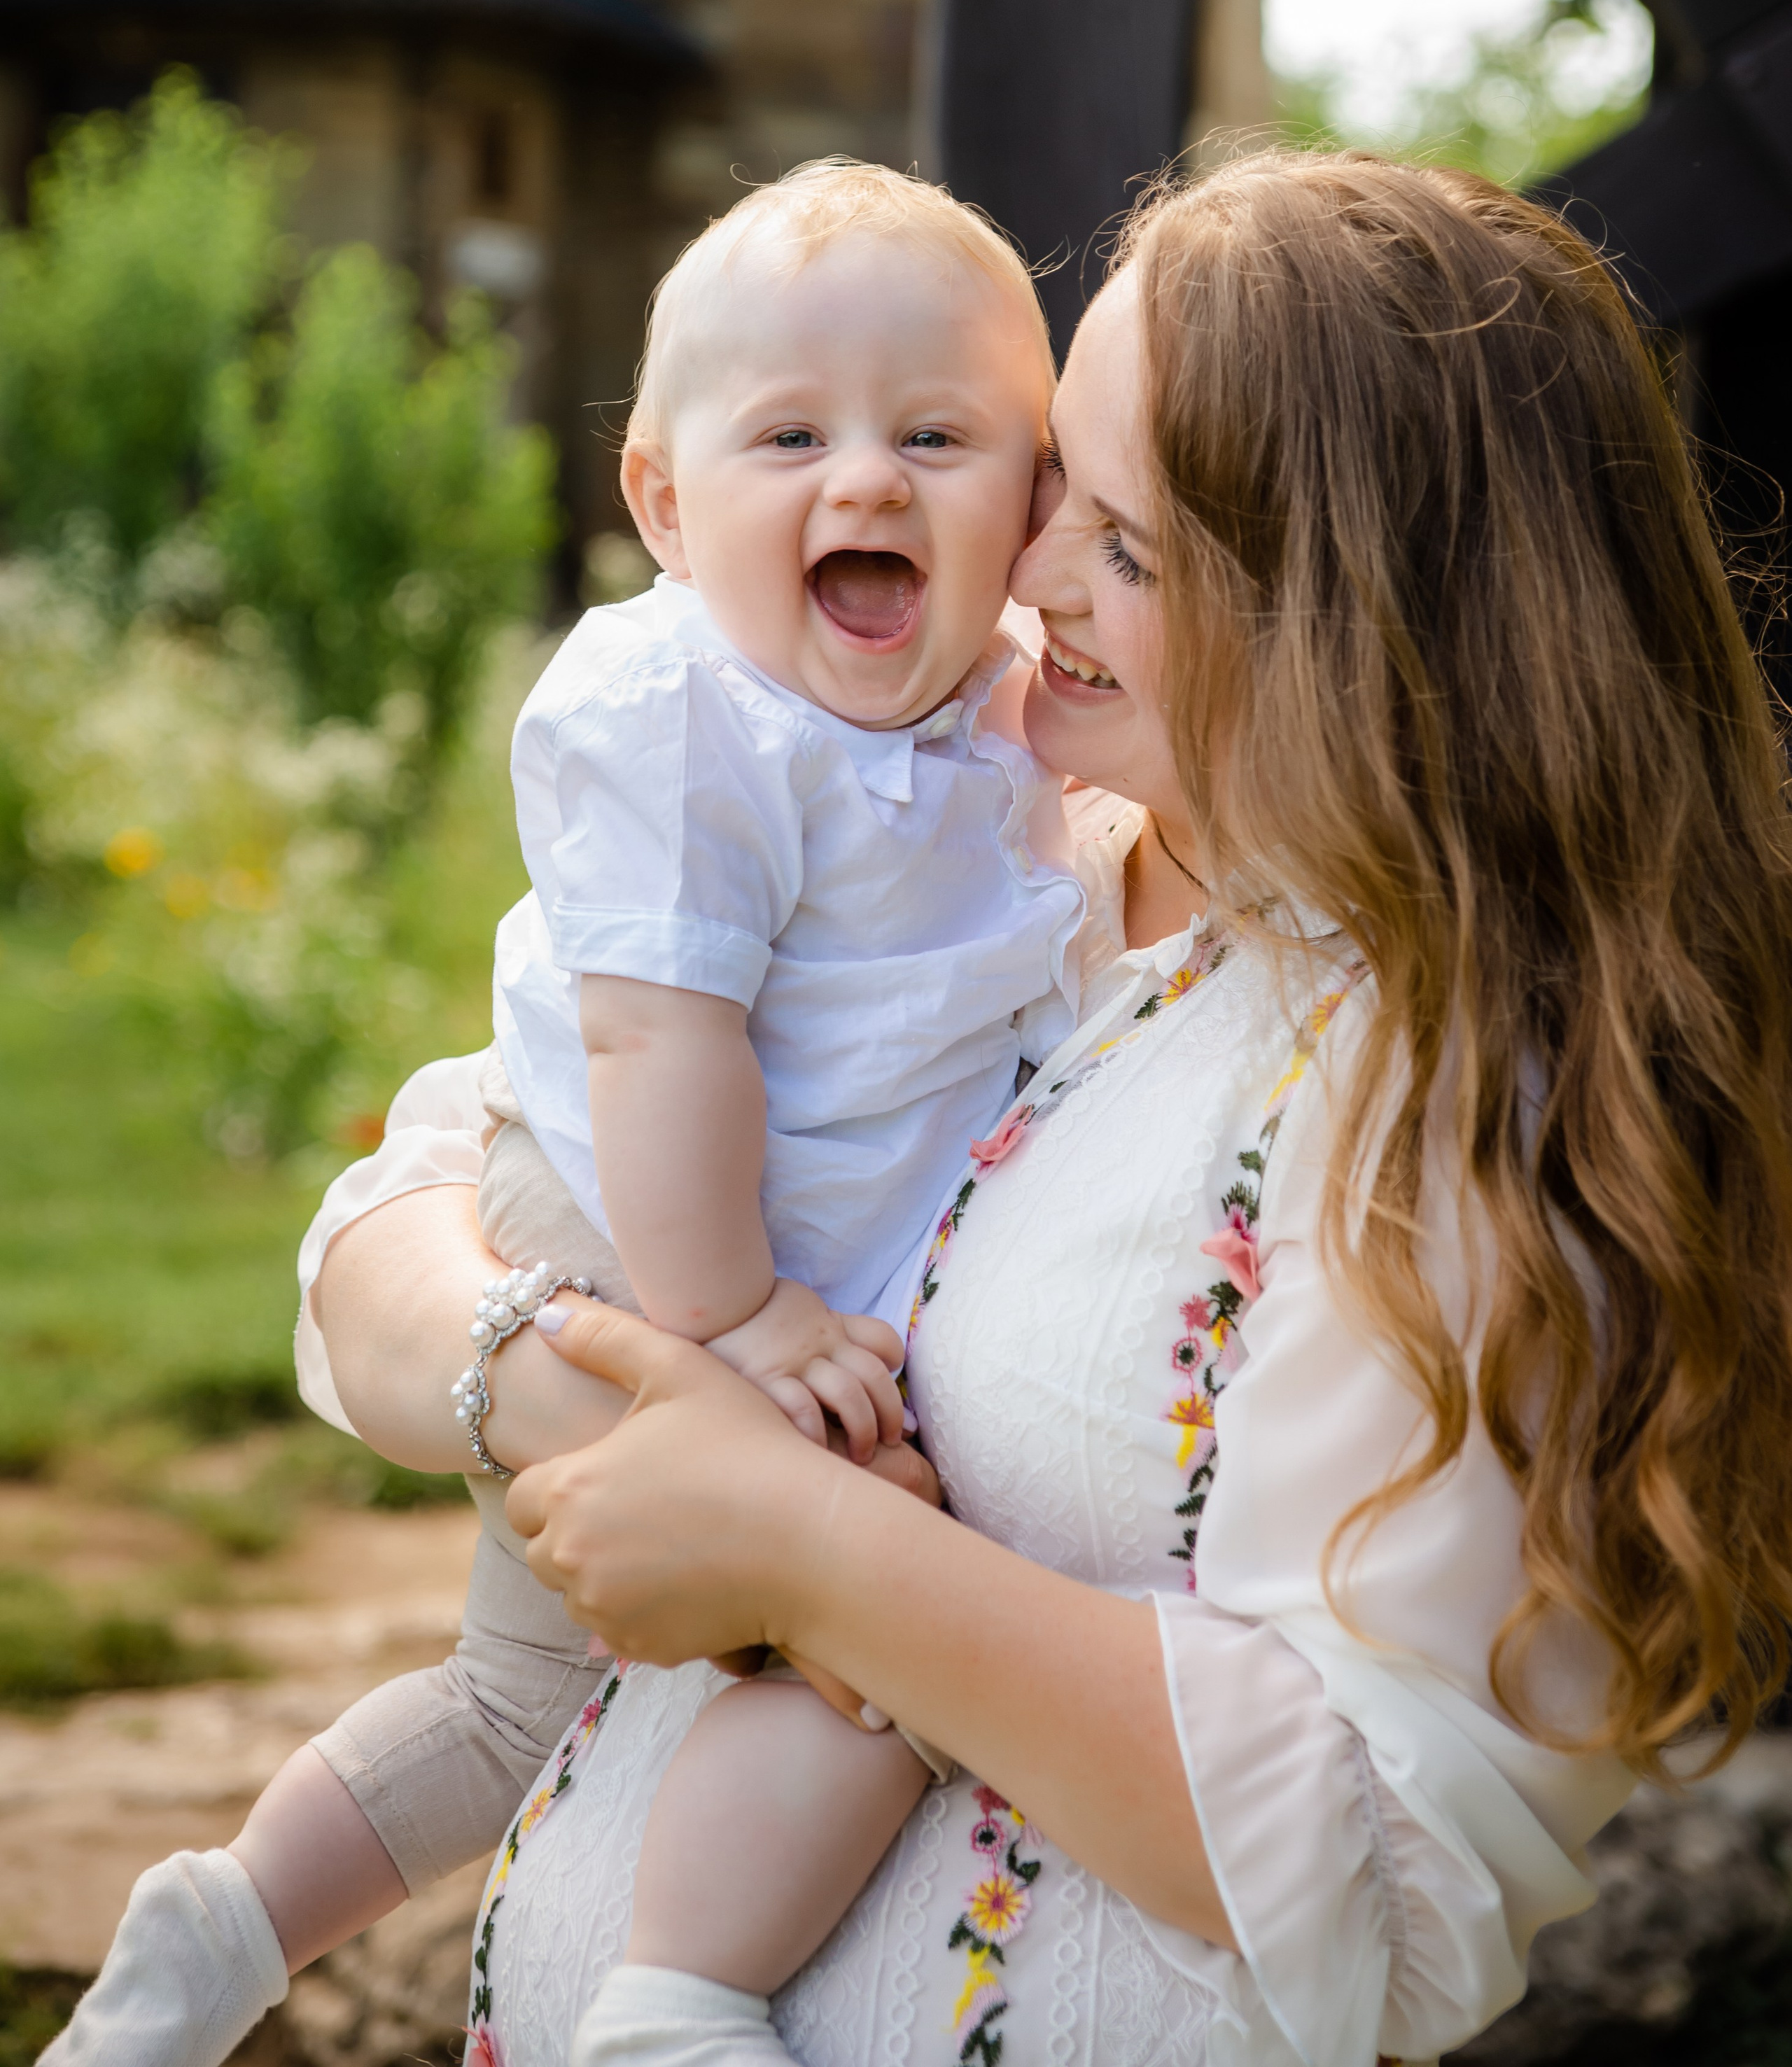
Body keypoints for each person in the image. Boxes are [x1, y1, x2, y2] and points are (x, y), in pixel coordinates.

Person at [320, 149, 1792, 2065]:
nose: (1018, 572)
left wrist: (798, 1547)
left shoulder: (1486, 1105)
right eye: (1047, 487)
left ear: (1372, 627)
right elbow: (418, 1192)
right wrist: (549, 1381)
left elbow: (1389, 1884)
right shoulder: (1023, 864)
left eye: (1128, 544)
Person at [43, 161, 1084, 2067]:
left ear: (1039, 500)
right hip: (643, 1238)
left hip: (747, 1255)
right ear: (667, 507)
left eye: (938, 436)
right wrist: (733, 1321)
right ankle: (676, 2001)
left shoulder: (1000, 707)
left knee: (520, 1702)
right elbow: (654, 1046)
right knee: (873, 1626)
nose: (867, 481)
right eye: (791, 436)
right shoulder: (687, 713)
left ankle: (223, 1926)